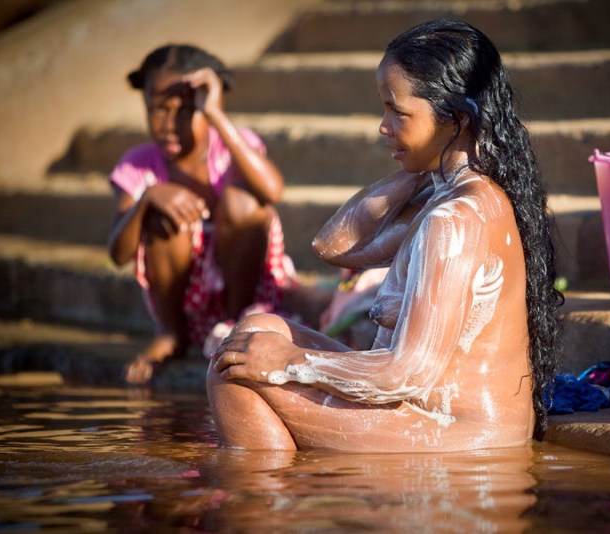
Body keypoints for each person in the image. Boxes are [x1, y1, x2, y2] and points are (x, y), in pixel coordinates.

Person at [207, 19, 562, 451]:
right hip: (427, 413)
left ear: (455, 119)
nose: (383, 126)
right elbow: (333, 245)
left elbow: (408, 373)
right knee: (255, 331)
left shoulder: (455, 219)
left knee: (233, 365)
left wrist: (291, 362)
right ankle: (288, 493)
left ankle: (268, 502)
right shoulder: (449, 194)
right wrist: (424, 169)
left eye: (398, 112)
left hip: (460, 437)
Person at [108, 44, 291, 385]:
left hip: (243, 298)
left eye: (185, 110)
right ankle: (170, 334)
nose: (168, 124)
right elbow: (117, 254)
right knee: (163, 215)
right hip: (182, 305)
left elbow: (272, 190)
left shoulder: (232, 146)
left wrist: (217, 116)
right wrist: (148, 197)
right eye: (157, 110)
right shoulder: (139, 164)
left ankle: (234, 326)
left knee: (243, 200)